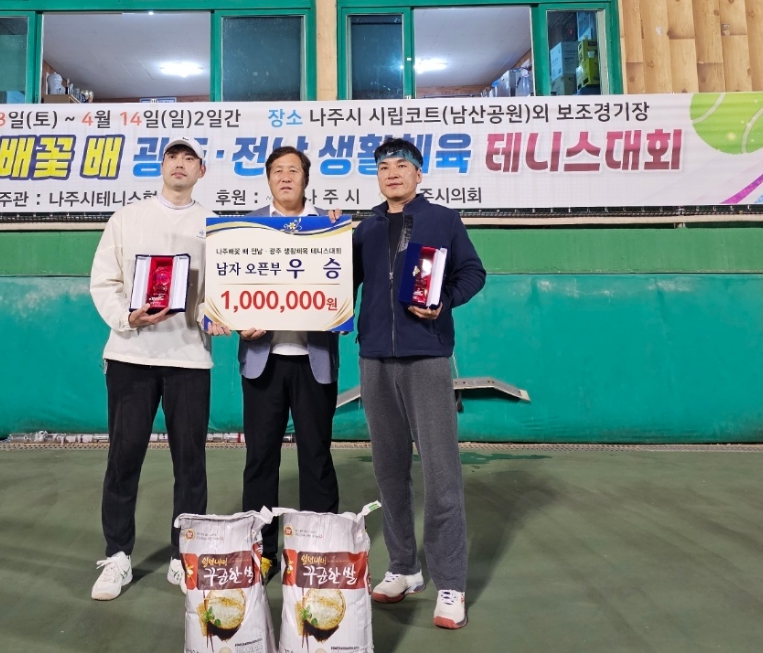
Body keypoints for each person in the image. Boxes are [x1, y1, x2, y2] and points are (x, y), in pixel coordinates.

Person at [88, 136, 232, 601]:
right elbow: (104, 281)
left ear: (201, 171)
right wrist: (126, 318)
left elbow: (216, 292)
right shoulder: (126, 218)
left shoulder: (214, 225)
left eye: (190, 159)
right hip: (130, 357)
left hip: (189, 359)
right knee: (123, 458)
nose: (180, 164)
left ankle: (183, 555)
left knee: (190, 462)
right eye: (173, 157)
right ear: (162, 165)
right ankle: (117, 555)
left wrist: (215, 316)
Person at [352, 137, 486, 630]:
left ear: (418, 173)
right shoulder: (364, 228)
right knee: (389, 470)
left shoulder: (443, 220)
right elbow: (338, 284)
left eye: (401, 165)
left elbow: (473, 272)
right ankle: (404, 567)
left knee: (440, 472)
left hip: (427, 357)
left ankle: (450, 583)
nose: (392, 173)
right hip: (374, 358)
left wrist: (443, 302)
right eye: (383, 166)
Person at [237, 146, 341, 580]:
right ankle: (262, 553)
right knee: (261, 458)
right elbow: (229, 289)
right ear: (268, 179)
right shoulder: (244, 229)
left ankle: (317, 551)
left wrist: (341, 237)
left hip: (314, 361)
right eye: (277, 170)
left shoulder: (330, 226)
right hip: (263, 361)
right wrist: (237, 322)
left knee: (316, 455)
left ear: (305, 179)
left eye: (293, 170)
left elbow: (344, 284)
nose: (285, 177)